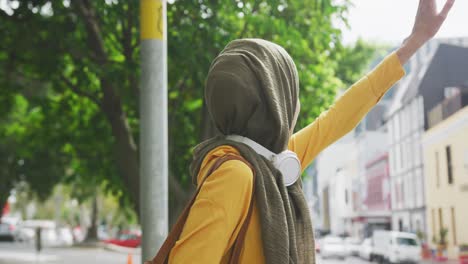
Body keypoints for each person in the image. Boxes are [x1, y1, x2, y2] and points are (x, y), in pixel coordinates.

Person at [168, 1, 455, 263]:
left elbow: (338, 118)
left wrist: (413, 43)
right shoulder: (236, 174)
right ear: (272, 102)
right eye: (291, 92)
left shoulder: (272, 161)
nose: (297, 104)